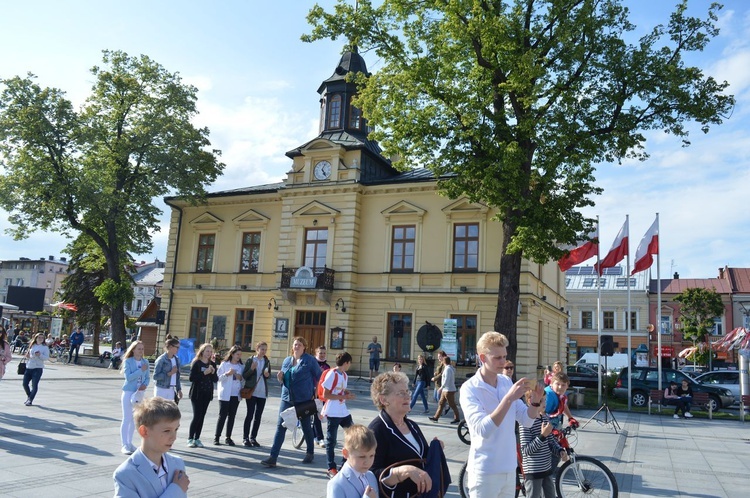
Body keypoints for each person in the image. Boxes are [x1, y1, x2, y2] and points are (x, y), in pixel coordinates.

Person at [460, 331, 544, 498]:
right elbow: (483, 430)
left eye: (504, 356)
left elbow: (526, 420)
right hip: (485, 471)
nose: (503, 362)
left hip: (509, 467)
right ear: (482, 358)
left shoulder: (505, 382)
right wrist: (508, 399)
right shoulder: (470, 388)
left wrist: (535, 402)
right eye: (497, 358)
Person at [369, 371, 435, 497]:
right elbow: (371, 474)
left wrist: (435, 450)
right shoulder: (376, 430)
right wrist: (403, 471)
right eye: (401, 393)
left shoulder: (412, 426)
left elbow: (422, 459)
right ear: (384, 399)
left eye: (407, 392)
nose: (407, 397)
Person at [261, 336, 322, 468]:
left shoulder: (309, 360)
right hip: (287, 398)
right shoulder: (287, 361)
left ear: (304, 347)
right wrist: (280, 378)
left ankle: (310, 452)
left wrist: (317, 393)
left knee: (306, 426)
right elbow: (284, 379)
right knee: (281, 426)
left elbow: (319, 376)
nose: (297, 346)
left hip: (303, 399)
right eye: (295, 344)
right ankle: (273, 457)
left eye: (299, 344)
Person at [113, 397, 190, 498]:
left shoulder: (177, 463)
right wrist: (176, 490)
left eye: (176, 429)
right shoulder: (125, 474)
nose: (174, 437)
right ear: (144, 431)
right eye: (167, 431)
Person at [519, 390, 568, 498]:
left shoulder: (544, 418)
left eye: (545, 400)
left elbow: (551, 441)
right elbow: (526, 450)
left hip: (546, 469)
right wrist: (542, 436)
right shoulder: (525, 422)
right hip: (533, 471)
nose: (545, 403)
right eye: (541, 401)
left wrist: (559, 450)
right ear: (530, 401)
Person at [322, 351, 356, 478]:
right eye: (349, 363)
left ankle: (344, 463)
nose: (349, 365)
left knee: (354, 435)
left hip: (343, 410)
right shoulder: (332, 374)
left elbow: (341, 389)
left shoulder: (344, 375)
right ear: (346, 363)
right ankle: (331, 467)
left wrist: (347, 393)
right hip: (333, 411)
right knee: (331, 441)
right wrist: (344, 396)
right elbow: (326, 395)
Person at [326, 424, 378, 498]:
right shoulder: (336, 484)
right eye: (362, 457)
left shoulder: (370, 476)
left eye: (372, 456)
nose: (368, 462)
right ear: (346, 453)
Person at [187, 343, 217, 448]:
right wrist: (204, 373)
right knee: (197, 416)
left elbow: (215, 380)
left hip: (207, 393)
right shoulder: (197, 363)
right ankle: (190, 438)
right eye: (207, 351)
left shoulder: (212, 364)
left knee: (202, 416)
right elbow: (192, 378)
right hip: (197, 393)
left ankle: (197, 438)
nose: (209, 353)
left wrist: (212, 372)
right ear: (202, 351)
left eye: (210, 351)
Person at [242, 341, 272, 447]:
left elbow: (269, 376)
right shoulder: (251, 360)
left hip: (262, 392)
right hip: (251, 391)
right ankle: (245, 438)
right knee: (250, 414)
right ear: (257, 349)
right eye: (262, 349)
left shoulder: (266, 361)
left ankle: (253, 437)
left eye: (265, 349)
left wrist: (267, 375)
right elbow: (244, 375)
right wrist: (251, 369)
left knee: (258, 416)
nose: (264, 351)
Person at [214, 345, 244, 446]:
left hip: (235, 394)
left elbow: (242, 379)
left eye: (240, 355)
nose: (239, 356)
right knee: (222, 416)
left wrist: (239, 377)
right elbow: (218, 378)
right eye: (237, 354)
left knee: (232, 416)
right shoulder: (224, 364)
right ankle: (217, 437)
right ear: (232, 354)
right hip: (225, 394)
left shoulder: (240, 366)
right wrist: (227, 374)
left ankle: (228, 437)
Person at [429, 355, 460, 423]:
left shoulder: (448, 369)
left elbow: (446, 380)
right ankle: (436, 417)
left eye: (442, 361)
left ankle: (457, 418)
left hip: (449, 390)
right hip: (446, 390)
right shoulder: (448, 368)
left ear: (444, 362)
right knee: (441, 403)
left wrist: (441, 388)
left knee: (452, 405)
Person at [22, 332, 50, 406]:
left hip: (38, 367)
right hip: (29, 366)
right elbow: (28, 354)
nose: (40, 339)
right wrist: (27, 355)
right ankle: (29, 396)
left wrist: (40, 355)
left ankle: (30, 400)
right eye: (39, 337)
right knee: (24, 384)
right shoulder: (32, 345)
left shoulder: (44, 347)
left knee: (34, 385)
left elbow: (46, 357)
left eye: (42, 338)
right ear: (36, 338)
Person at [153, 337, 183, 403]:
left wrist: (179, 390)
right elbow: (155, 376)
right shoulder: (161, 360)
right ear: (170, 347)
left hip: (171, 389)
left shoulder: (176, 359)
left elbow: (177, 376)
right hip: (161, 389)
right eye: (177, 347)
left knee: (169, 412)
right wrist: (169, 373)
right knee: (159, 411)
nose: (178, 349)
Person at [314, 345, 331, 447]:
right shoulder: (313, 364)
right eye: (320, 353)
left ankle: (315, 435)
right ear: (316, 353)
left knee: (320, 415)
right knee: (316, 415)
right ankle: (320, 438)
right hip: (313, 392)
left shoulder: (327, 367)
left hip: (322, 394)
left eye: (324, 353)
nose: (322, 355)